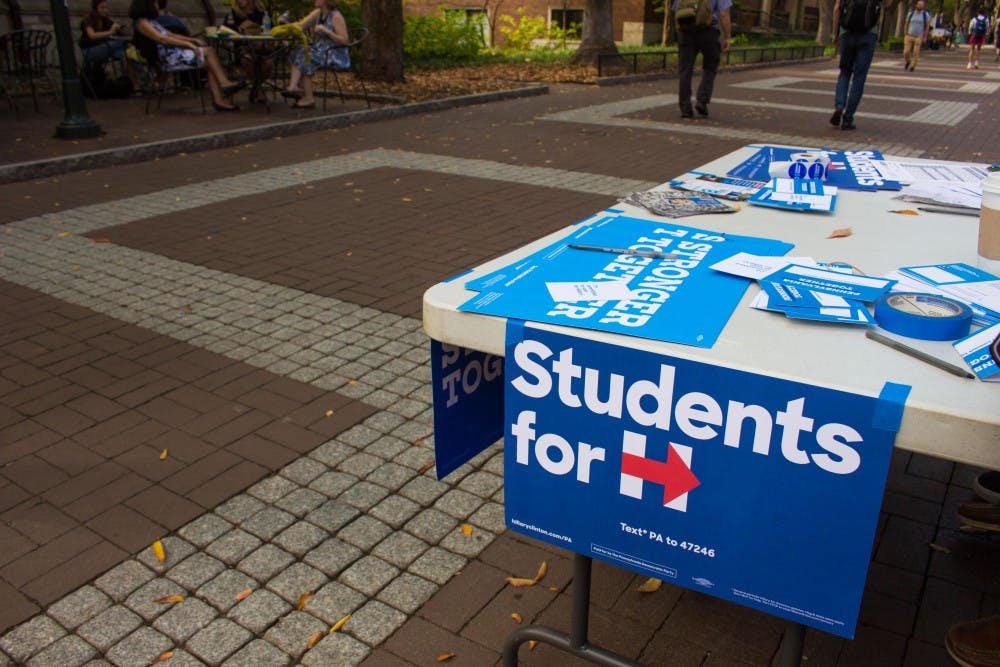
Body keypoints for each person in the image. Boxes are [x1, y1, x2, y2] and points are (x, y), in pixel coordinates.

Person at [128, 0, 246, 111]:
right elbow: (162, 39)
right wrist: (188, 45)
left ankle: (219, 99)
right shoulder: (142, 23)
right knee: (209, 52)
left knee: (210, 60)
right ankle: (224, 84)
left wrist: (193, 40)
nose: (156, 5)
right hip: (167, 58)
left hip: (173, 54)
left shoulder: (152, 22)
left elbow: (171, 35)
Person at [282, 0, 351, 110]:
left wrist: (327, 31)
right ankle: (297, 89)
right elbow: (301, 26)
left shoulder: (336, 16)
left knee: (307, 56)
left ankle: (305, 96)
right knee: (299, 50)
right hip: (319, 50)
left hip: (334, 53)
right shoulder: (317, 13)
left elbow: (344, 40)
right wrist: (285, 28)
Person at [672, 0, 732, 118]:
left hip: (686, 31)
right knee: (710, 67)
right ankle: (702, 100)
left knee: (685, 70)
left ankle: (685, 107)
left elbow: (676, 10)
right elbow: (724, 13)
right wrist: (727, 37)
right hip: (708, 31)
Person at [830, 0, 879, 131]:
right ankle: (848, 118)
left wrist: (835, 34)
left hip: (847, 32)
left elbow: (837, 9)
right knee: (859, 77)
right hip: (869, 34)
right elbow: (888, 4)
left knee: (844, 72)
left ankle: (839, 105)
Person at [79, 0, 140, 88]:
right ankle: (139, 75)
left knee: (126, 54)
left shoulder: (106, 20)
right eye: (102, 8)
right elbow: (92, 35)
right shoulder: (88, 20)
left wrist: (119, 28)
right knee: (122, 43)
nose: (105, 10)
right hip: (90, 51)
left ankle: (131, 82)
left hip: (105, 49)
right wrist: (110, 32)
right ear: (95, 8)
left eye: (106, 8)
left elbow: (119, 30)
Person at [221, 0, 273, 104]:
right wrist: (239, 31)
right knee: (247, 60)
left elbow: (271, 29)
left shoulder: (261, 13)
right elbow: (225, 30)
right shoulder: (233, 13)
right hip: (243, 48)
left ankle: (256, 88)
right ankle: (259, 90)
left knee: (268, 63)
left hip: (261, 48)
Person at [902, 0, 930, 71]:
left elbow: (927, 26)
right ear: (916, 5)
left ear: (923, 6)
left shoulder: (925, 15)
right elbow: (906, 23)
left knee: (915, 52)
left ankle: (913, 66)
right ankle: (908, 61)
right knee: (906, 52)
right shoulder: (911, 14)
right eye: (919, 4)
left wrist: (925, 36)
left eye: (921, 5)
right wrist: (905, 33)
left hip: (918, 36)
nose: (920, 6)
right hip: (909, 35)